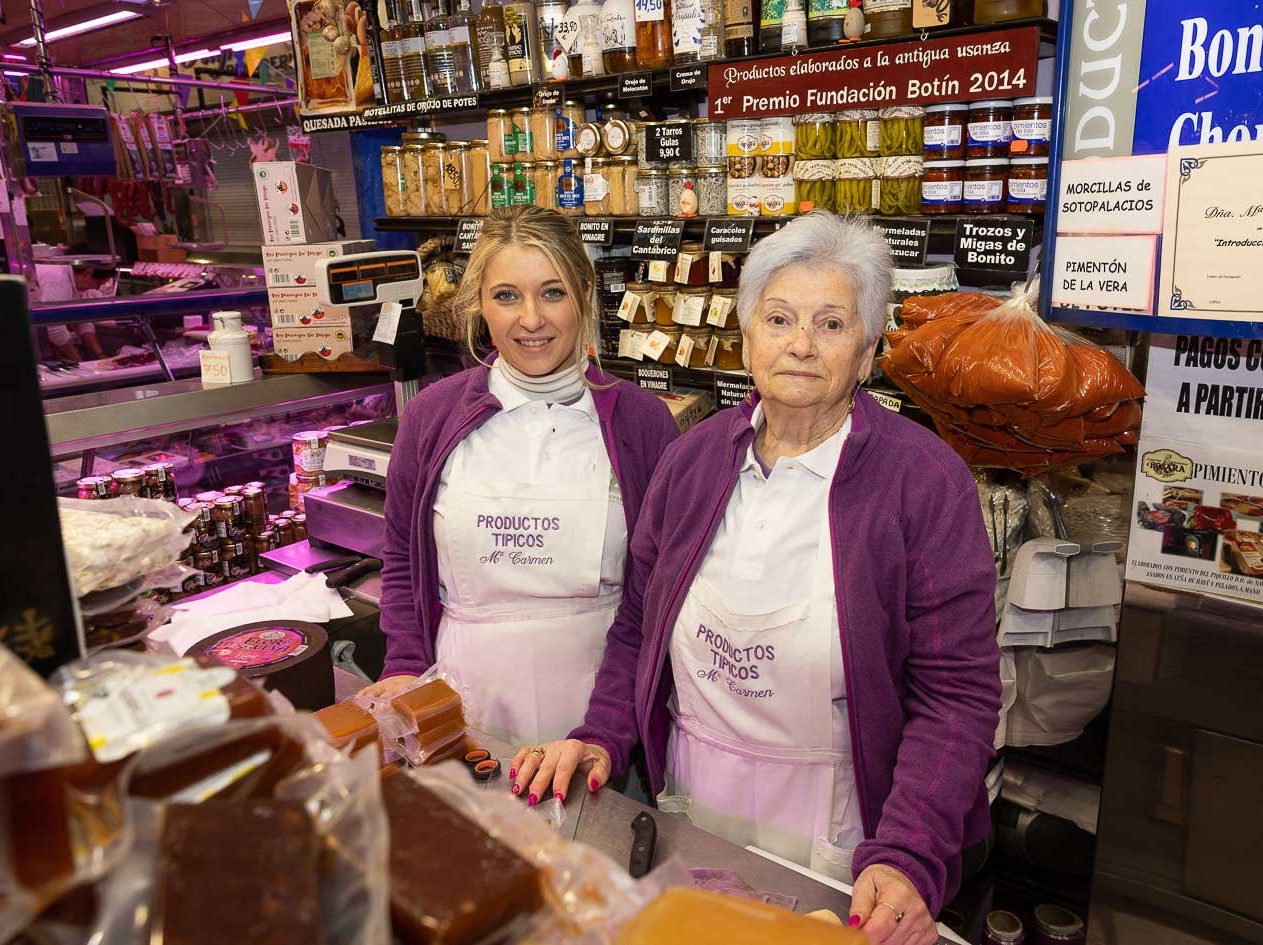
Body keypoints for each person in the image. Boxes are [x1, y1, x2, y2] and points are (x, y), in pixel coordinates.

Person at [510, 212, 1000, 945]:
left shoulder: (923, 481)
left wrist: (908, 851)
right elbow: (640, 625)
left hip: (834, 826)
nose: (801, 343)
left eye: (831, 324)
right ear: (746, 339)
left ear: (866, 353)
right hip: (692, 803)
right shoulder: (694, 458)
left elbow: (955, 695)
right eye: (778, 318)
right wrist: (602, 734)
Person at [361, 206, 679, 748]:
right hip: (462, 699)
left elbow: (656, 597)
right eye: (507, 295)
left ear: (584, 293)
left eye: (552, 293)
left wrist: (606, 732)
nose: (531, 319)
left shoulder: (642, 422)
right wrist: (405, 667)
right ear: (479, 302)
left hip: (599, 710)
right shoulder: (431, 415)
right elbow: (401, 558)